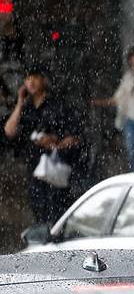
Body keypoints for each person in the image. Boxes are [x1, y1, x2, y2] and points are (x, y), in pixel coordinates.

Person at [4, 68, 81, 224]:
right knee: (38, 208)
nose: (31, 82)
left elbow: (75, 135)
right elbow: (9, 131)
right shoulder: (26, 108)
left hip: (55, 166)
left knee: (58, 209)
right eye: (27, 78)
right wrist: (19, 103)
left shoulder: (57, 104)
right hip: (34, 166)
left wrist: (55, 140)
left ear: (43, 80)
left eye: (35, 77)